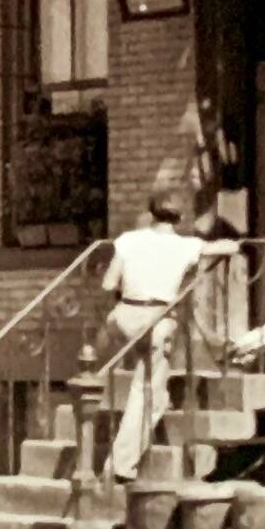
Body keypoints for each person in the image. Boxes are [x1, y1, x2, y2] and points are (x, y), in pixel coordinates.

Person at [98, 180, 228, 485]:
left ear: (151, 213)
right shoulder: (187, 245)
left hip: (123, 318)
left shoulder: (128, 240)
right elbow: (220, 247)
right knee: (148, 392)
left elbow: (107, 283)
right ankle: (120, 465)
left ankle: (122, 380)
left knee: (139, 365)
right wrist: (233, 244)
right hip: (155, 321)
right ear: (180, 218)